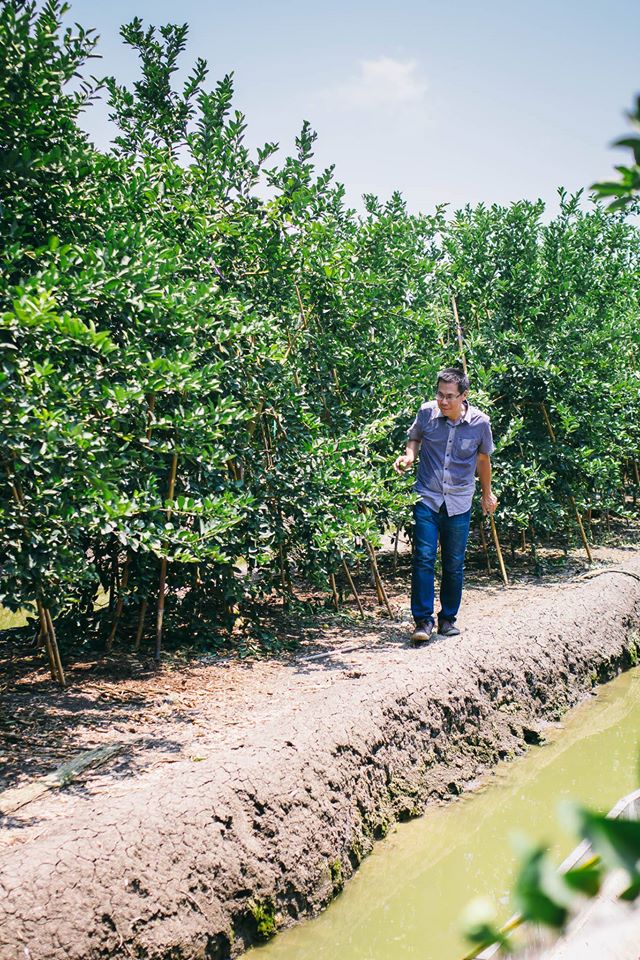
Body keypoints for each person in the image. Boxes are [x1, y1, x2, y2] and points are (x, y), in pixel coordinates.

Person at [394, 368, 497, 644]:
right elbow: (415, 438)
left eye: (450, 396)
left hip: (459, 501)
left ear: (464, 396)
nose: (443, 401)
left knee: (453, 563)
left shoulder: (480, 423)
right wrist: (409, 457)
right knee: (423, 558)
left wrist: (487, 494)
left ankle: (448, 618)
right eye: (440, 394)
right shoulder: (427, 413)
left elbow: (483, 460)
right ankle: (423, 621)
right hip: (427, 497)